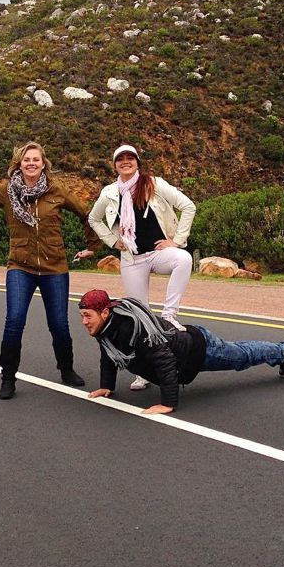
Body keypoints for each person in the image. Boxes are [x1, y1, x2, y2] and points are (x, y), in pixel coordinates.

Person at [0, 140, 101, 399]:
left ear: (43, 163)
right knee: (14, 321)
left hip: (54, 266)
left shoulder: (57, 190)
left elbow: (86, 213)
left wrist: (93, 246)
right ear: (19, 164)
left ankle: (66, 369)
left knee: (59, 324)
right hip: (20, 266)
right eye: (27, 159)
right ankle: (8, 378)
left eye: (36, 159)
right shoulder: (6, 191)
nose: (31, 163)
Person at [77, 289, 284, 415]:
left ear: (105, 312)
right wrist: (107, 385)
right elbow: (109, 353)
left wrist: (167, 403)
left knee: (242, 356)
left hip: (197, 349)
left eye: (88, 316)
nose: (84, 322)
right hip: (184, 348)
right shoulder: (106, 328)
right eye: (82, 316)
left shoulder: (132, 329)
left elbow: (165, 361)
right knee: (241, 353)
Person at [88, 143, 196, 391]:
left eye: (130, 158)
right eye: (120, 159)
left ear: (137, 162)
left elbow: (188, 206)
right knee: (139, 317)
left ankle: (169, 315)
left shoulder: (154, 184)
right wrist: (112, 241)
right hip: (132, 259)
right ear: (114, 165)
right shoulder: (110, 192)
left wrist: (176, 240)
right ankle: (143, 372)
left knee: (183, 259)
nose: (125, 162)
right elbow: (94, 218)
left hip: (157, 253)